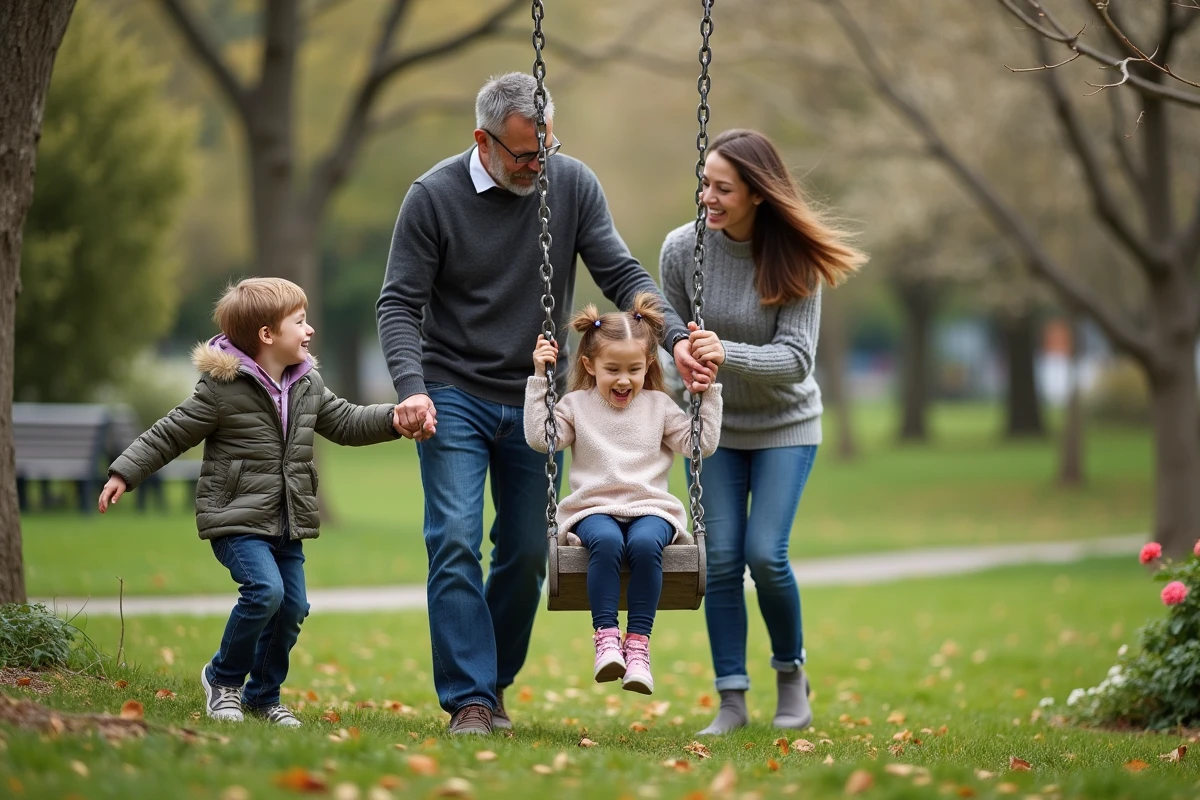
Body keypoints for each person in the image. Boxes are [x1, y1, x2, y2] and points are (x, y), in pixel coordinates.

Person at [377, 71, 715, 735]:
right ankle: (471, 699)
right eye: (525, 154)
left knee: (529, 551)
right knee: (453, 539)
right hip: (453, 389)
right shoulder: (433, 198)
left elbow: (622, 272)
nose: (539, 165)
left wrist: (674, 338)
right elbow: (398, 303)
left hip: (538, 397)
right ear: (483, 141)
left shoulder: (571, 184)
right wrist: (411, 387)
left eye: (547, 149)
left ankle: (494, 680)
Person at [99, 278, 405, 727]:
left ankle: (263, 696)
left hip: (287, 520)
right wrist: (124, 471)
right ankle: (222, 679)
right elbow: (171, 432)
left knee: (292, 607)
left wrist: (394, 419)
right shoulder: (221, 389)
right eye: (299, 322)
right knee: (265, 592)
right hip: (235, 519)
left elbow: (346, 422)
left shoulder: (307, 384)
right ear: (267, 334)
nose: (310, 330)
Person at [659, 129, 866, 735]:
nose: (708, 197)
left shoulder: (794, 258)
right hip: (714, 430)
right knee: (721, 561)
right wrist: (674, 380)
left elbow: (797, 360)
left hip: (785, 426)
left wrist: (726, 354)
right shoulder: (682, 249)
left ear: (757, 193)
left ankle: (790, 675)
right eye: (705, 184)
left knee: (765, 556)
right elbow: (668, 342)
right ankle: (731, 699)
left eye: (723, 189)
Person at [524, 294, 722, 695]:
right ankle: (606, 640)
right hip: (594, 508)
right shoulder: (575, 405)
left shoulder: (659, 406)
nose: (623, 380)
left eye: (634, 369)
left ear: (648, 364)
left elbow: (699, 445)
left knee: (647, 544)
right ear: (589, 365)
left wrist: (707, 393)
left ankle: (638, 647)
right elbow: (541, 439)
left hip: (651, 509)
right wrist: (539, 379)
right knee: (607, 540)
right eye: (612, 369)